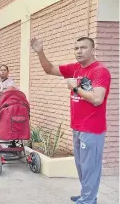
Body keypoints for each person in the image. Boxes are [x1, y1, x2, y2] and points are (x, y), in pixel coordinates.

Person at [31, 37, 111, 204]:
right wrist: (40, 52)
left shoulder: (99, 71)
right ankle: (86, 195)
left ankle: (88, 200)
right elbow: (50, 69)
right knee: (82, 166)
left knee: (90, 167)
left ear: (93, 50)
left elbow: (97, 99)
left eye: (83, 47)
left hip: (92, 128)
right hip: (78, 127)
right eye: (76, 48)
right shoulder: (75, 68)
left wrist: (75, 87)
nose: (79, 51)